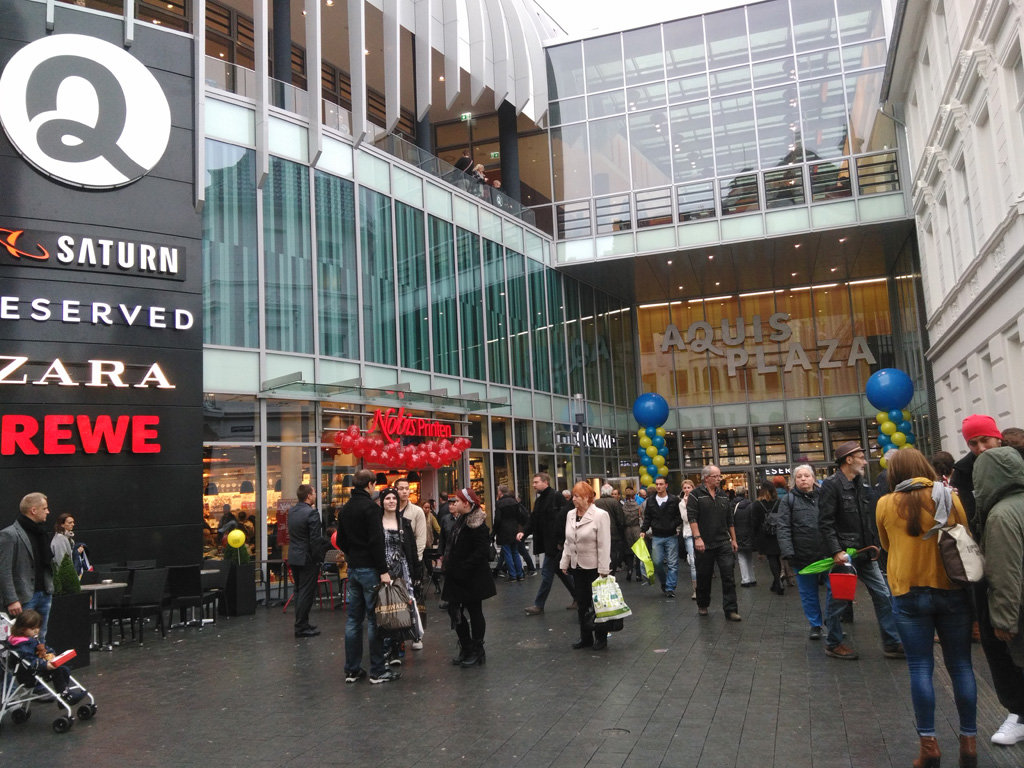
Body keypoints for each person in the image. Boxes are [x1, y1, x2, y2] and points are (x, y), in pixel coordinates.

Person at [877, 447, 977, 768]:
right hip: (950, 589)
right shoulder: (950, 497)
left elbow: (886, 545)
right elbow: (966, 538)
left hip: (907, 591)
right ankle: (969, 742)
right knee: (961, 665)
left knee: (920, 668)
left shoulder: (885, 504)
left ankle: (929, 746)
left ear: (894, 473)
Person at [818, 441, 902, 660]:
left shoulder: (861, 485)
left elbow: (868, 519)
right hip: (845, 556)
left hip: (865, 553)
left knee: (883, 595)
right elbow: (825, 522)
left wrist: (874, 544)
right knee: (838, 599)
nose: (865, 461)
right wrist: (836, 551)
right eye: (861, 457)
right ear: (849, 460)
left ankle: (892, 643)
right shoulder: (832, 485)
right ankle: (833, 643)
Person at [974, 445, 1024, 749]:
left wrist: (1003, 621)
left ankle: (1019, 716)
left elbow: (1004, 574)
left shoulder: (1001, 515)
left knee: (1016, 666)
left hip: (1019, 609)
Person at [338, 469, 399, 684]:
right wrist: (383, 570)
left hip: (353, 569)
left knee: (353, 620)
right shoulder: (371, 509)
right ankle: (377, 670)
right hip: (370, 570)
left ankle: (352, 669)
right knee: (375, 620)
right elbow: (376, 542)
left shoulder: (345, 509)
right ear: (371, 484)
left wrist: (351, 555)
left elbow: (341, 541)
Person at [442, 487, 496, 667]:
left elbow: (481, 550)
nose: (453, 504)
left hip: (472, 576)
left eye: (456, 501)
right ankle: (466, 646)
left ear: (467, 503)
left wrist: (464, 567)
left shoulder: (477, 522)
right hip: (456, 574)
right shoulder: (460, 520)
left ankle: (478, 649)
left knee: (474, 610)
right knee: (454, 610)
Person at [778, 464, 828, 639]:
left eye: (806, 475)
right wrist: (788, 551)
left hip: (827, 553)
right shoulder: (788, 500)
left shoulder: (825, 497)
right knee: (808, 593)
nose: (803, 479)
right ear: (794, 480)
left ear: (814, 478)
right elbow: (783, 527)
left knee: (834, 589)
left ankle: (831, 620)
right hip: (802, 554)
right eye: (799, 476)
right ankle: (815, 624)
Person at [561, 482, 612, 650]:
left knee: (599, 604)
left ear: (588, 498)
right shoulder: (570, 515)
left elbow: (604, 544)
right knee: (582, 604)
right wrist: (565, 561)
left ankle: (601, 638)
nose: (573, 499)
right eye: (573, 496)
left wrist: (604, 569)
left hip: (594, 567)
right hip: (577, 566)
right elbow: (569, 541)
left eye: (577, 496)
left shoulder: (600, 515)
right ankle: (585, 638)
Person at [688, 466, 741, 620]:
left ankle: (731, 609)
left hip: (723, 541)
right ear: (706, 478)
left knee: (728, 575)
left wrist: (734, 539)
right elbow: (692, 518)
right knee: (704, 575)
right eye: (715, 476)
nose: (719, 479)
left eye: (719, 476)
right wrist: (698, 538)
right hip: (704, 542)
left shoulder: (723, 495)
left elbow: (730, 519)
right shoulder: (695, 495)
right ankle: (703, 604)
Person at [0, 492, 54, 641]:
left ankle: (40, 664)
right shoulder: (10, 535)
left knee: (41, 638)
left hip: (45, 592)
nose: (48, 512)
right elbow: (4, 570)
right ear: (34, 510)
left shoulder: (41, 533)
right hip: (23, 597)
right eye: (45, 508)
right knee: (22, 640)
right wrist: (11, 599)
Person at [520, 473, 575, 615]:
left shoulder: (556, 497)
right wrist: (524, 533)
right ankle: (580, 597)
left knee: (546, 574)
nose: (533, 485)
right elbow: (533, 520)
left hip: (556, 545)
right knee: (562, 573)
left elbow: (566, 520)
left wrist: (561, 541)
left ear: (545, 482)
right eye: (533, 482)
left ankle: (539, 605)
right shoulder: (539, 501)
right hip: (548, 544)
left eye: (536, 482)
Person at [5, 610, 86, 705]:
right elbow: (30, 660)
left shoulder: (30, 639)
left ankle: (65, 693)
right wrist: (45, 664)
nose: (36, 630)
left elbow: (43, 648)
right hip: (29, 674)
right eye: (33, 628)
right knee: (58, 670)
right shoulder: (22, 645)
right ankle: (66, 695)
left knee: (64, 669)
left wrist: (50, 654)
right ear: (22, 629)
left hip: (36, 669)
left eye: (38, 627)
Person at [379, 487, 421, 666]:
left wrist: (416, 572)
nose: (391, 501)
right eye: (387, 498)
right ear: (382, 502)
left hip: (402, 570)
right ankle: (386, 649)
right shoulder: (376, 523)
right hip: (383, 571)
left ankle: (398, 647)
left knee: (402, 608)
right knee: (385, 610)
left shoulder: (404, 523)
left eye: (393, 498)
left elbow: (410, 549)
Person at [287, 484, 323, 639]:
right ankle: (301, 626)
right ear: (309, 495)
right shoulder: (312, 513)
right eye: (314, 493)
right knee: (306, 593)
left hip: (294, 556)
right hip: (307, 558)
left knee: (299, 591)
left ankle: (302, 622)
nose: (315, 495)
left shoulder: (292, 511)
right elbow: (315, 540)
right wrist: (318, 558)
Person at [640, 476, 682, 598]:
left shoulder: (674, 500)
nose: (658, 486)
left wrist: (673, 525)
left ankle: (670, 587)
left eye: (661, 484)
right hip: (657, 535)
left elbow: (679, 516)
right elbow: (647, 516)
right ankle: (664, 581)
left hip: (671, 535)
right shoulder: (651, 500)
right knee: (657, 562)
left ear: (666, 485)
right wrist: (643, 530)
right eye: (657, 484)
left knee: (672, 563)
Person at [752, 481, 784, 595]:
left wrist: (755, 539)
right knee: (777, 557)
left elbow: (754, 523)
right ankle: (777, 581)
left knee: (771, 558)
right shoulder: (779, 502)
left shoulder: (757, 504)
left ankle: (777, 582)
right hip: (778, 533)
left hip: (764, 535)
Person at [493, 485, 528, 582]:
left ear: (500, 492)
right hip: (514, 529)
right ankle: (519, 574)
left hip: (504, 531)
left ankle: (512, 575)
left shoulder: (499, 503)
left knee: (507, 553)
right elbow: (519, 516)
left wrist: (494, 532)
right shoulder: (514, 502)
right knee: (515, 552)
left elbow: (497, 519)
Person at [595, 484, 626, 575]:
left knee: (601, 552)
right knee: (613, 553)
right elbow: (620, 518)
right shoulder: (614, 502)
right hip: (613, 533)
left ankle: (602, 571)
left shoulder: (596, 503)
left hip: (599, 531)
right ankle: (611, 572)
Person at [677, 479, 698, 598]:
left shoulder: (698, 500)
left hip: (700, 532)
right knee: (693, 561)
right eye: (684, 488)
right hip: (689, 533)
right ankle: (695, 589)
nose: (686, 490)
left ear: (693, 488)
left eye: (688, 487)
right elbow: (686, 518)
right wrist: (686, 504)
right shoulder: (681, 503)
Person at [732, 487, 756, 587]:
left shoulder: (732, 505)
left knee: (741, 556)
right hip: (749, 532)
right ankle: (752, 577)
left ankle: (745, 579)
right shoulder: (750, 504)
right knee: (749, 555)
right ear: (745, 493)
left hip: (737, 533)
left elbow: (730, 521)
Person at [622, 485, 643, 582]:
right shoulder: (638, 506)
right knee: (638, 552)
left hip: (627, 530)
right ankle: (638, 573)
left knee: (628, 552)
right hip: (636, 528)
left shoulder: (623, 507)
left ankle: (629, 570)